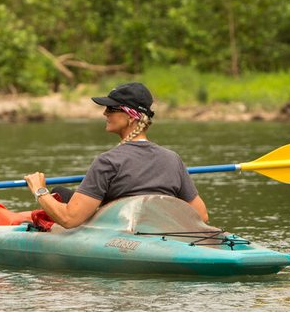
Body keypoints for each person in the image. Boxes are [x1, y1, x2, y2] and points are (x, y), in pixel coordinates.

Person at [24, 82, 209, 229]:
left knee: (56, 194)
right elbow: (201, 216)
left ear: (131, 116)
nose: (105, 113)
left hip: (123, 236)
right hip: (160, 232)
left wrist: (40, 190)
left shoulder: (108, 161)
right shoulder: (172, 159)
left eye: (112, 109)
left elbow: (69, 219)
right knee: (62, 193)